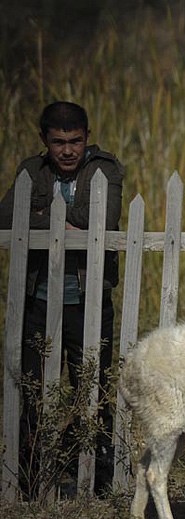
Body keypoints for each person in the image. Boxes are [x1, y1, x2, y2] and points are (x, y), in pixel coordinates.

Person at [0, 101, 123, 498]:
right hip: (38, 298)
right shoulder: (31, 171)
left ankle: (97, 481)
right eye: (58, 142)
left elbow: (103, 219)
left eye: (74, 141)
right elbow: (6, 216)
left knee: (93, 390)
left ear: (87, 138)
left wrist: (55, 215)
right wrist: (62, 219)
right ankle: (32, 482)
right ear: (45, 142)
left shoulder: (103, 168)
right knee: (33, 394)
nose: (67, 150)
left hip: (88, 299)